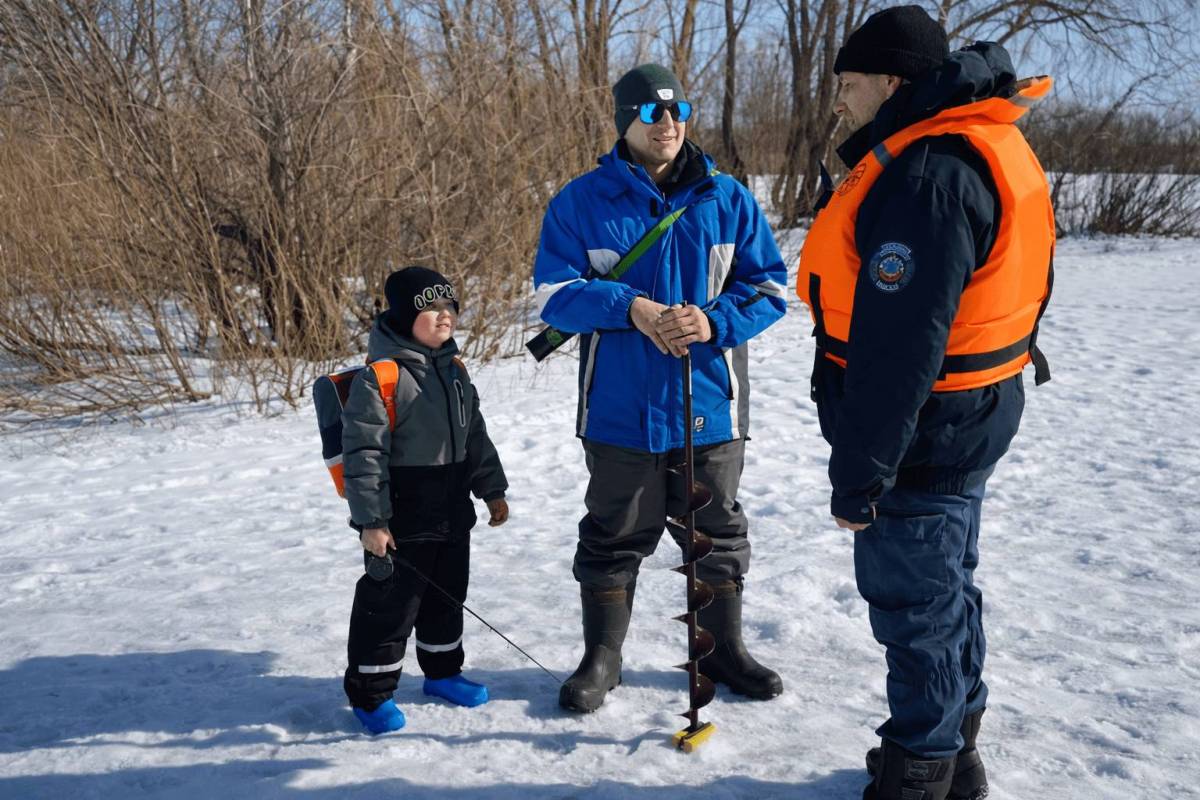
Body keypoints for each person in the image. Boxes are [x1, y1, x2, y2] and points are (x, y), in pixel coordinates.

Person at [795, 6, 1054, 799]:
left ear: (892, 82)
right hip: (972, 411)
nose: (840, 102)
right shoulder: (983, 139)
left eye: (848, 84)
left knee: (915, 600)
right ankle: (953, 749)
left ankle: (922, 768)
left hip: (925, 428)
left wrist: (861, 472)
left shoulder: (930, 176)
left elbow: (899, 348)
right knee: (946, 584)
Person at [533, 64, 788, 713]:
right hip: (620, 412)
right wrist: (634, 310)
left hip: (709, 406)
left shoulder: (727, 198)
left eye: (679, 111)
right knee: (613, 535)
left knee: (717, 535)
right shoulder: (581, 202)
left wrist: (712, 319)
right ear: (626, 120)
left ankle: (723, 651)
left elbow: (770, 288)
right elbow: (553, 298)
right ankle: (602, 658)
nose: (669, 124)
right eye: (652, 113)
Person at [340, 266, 509, 734]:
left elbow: (474, 436)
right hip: (402, 516)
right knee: (391, 605)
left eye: (449, 307)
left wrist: (492, 489)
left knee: (447, 597)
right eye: (429, 308)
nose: (443, 317)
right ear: (402, 317)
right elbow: (364, 455)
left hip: (454, 510)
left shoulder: (454, 370)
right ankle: (371, 695)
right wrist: (371, 521)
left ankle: (442, 673)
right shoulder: (381, 378)